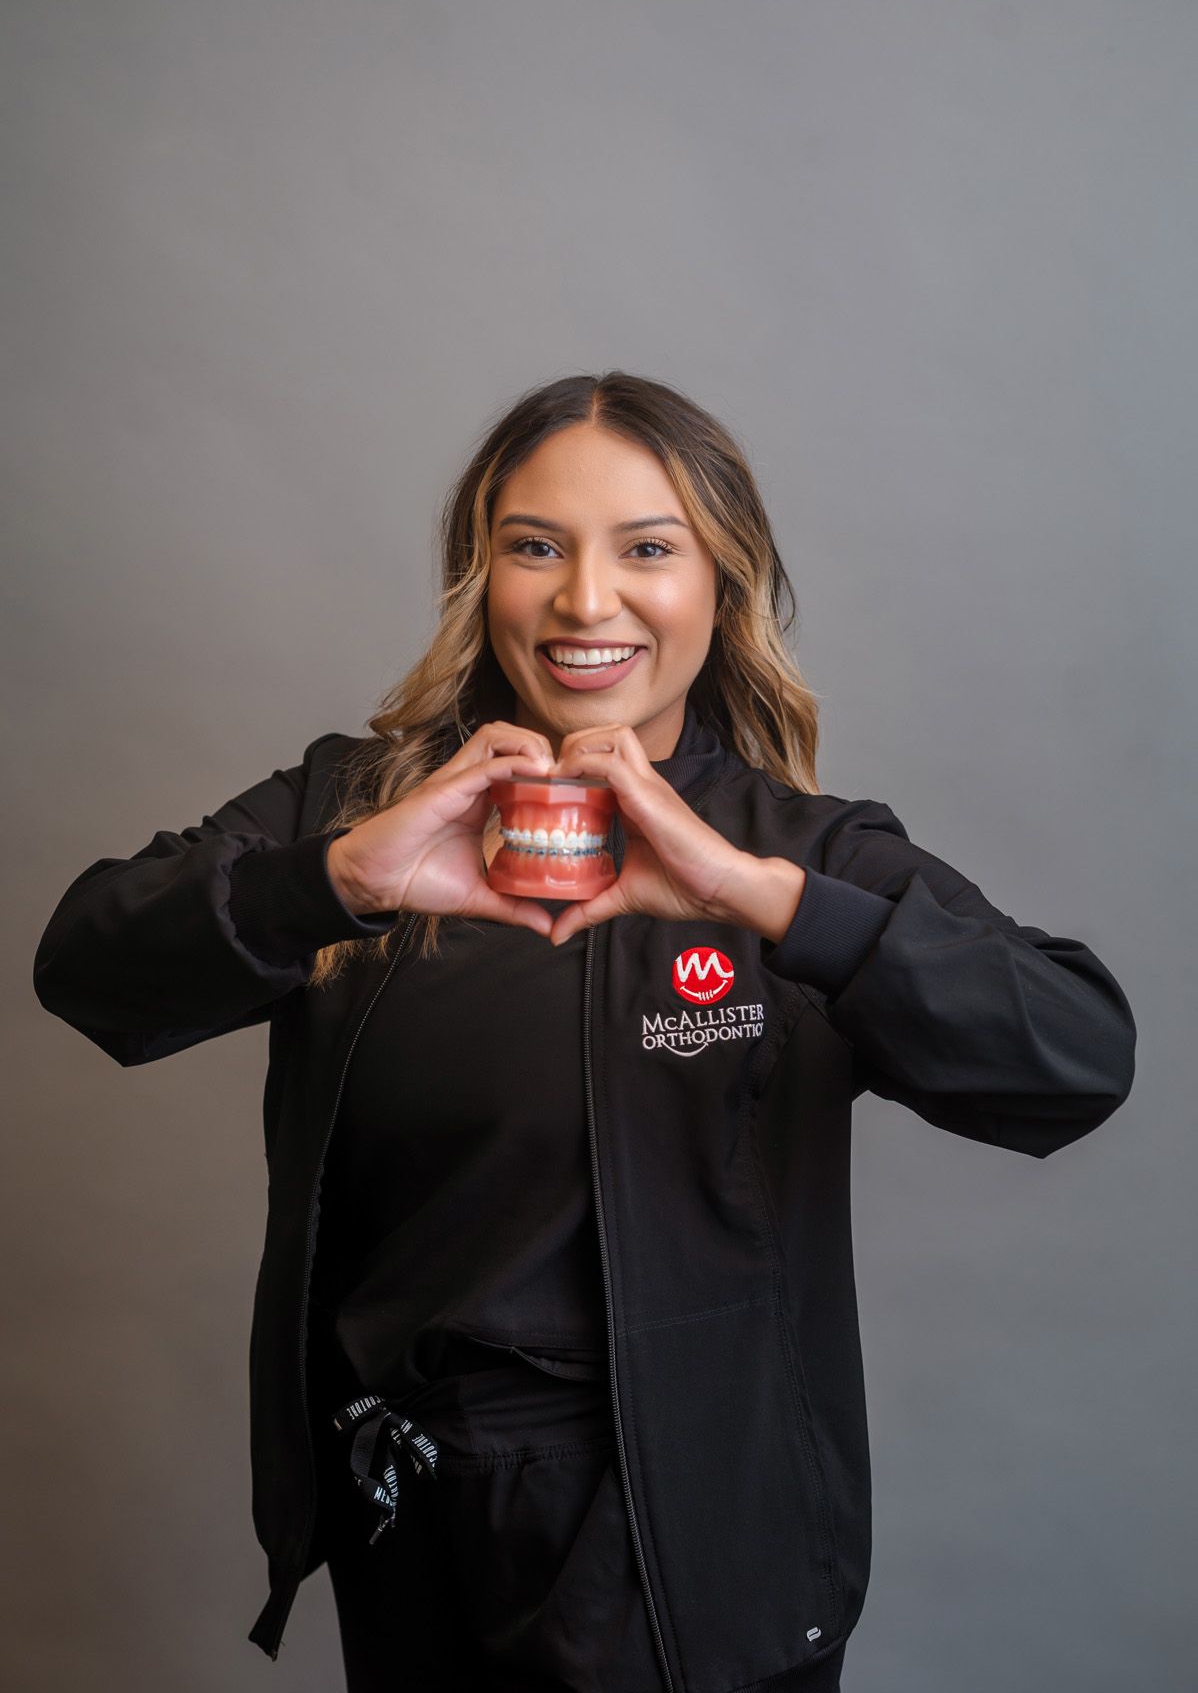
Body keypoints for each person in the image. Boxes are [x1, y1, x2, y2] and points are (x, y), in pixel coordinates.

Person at [33, 371, 1137, 1693]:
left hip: (699, 1559)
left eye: (648, 550)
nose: (585, 601)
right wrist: (339, 878)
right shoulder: (357, 808)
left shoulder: (804, 856)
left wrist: (754, 897)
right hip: (420, 1526)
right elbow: (88, 970)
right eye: (533, 546)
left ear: (721, 586)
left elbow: (1073, 1056)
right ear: (478, 575)